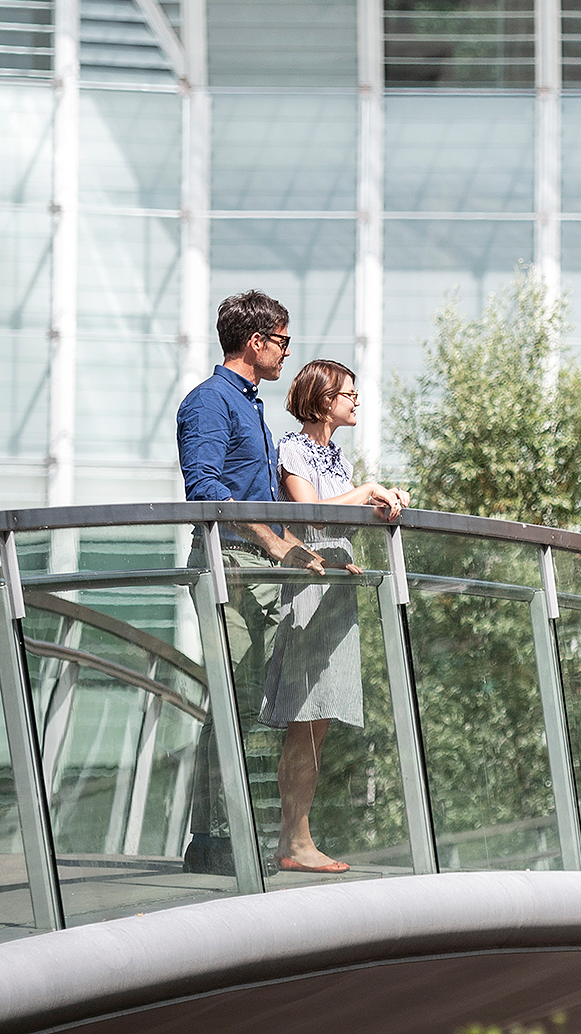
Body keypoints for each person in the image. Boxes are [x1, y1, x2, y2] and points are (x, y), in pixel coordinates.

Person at [175, 290, 327, 875]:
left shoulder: (249, 406)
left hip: (256, 569)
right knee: (232, 703)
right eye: (283, 342)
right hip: (230, 566)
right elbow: (206, 491)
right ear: (256, 341)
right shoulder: (210, 404)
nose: (287, 353)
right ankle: (213, 843)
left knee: (248, 706)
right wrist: (271, 541)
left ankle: (227, 837)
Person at [261, 359, 410, 874]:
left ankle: (297, 838)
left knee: (318, 720)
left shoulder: (332, 456)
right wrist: (367, 492)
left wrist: (384, 504)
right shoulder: (293, 450)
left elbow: (339, 515)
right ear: (324, 400)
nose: (356, 401)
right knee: (305, 714)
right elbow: (313, 514)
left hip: (334, 586)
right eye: (348, 394)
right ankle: (293, 842)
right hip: (307, 588)